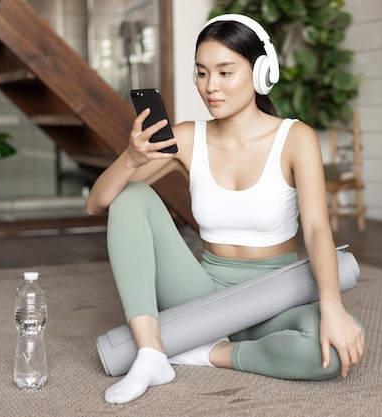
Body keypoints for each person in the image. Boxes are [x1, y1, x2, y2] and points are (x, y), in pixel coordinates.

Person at [86, 14, 365, 405]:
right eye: (201, 73)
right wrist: (131, 159)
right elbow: (97, 202)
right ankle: (151, 351)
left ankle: (200, 351)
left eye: (224, 72)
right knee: (131, 196)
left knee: (334, 349)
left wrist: (332, 306)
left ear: (261, 72)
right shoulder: (186, 137)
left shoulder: (295, 138)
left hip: (273, 297)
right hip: (202, 296)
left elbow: (318, 229)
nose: (210, 86)